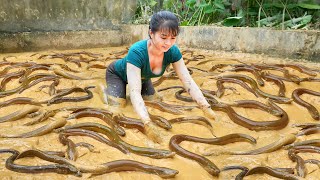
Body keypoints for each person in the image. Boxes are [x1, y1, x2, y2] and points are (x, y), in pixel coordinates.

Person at [104, 10, 216, 143]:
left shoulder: (172, 52)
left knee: (154, 101)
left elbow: (187, 81)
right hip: (117, 74)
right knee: (118, 105)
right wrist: (147, 123)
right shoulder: (137, 51)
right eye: (163, 37)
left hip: (143, 77)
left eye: (173, 38)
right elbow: (134, 91)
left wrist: (205, 107)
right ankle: (104, 91)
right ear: (151, 33)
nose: (168, 43)